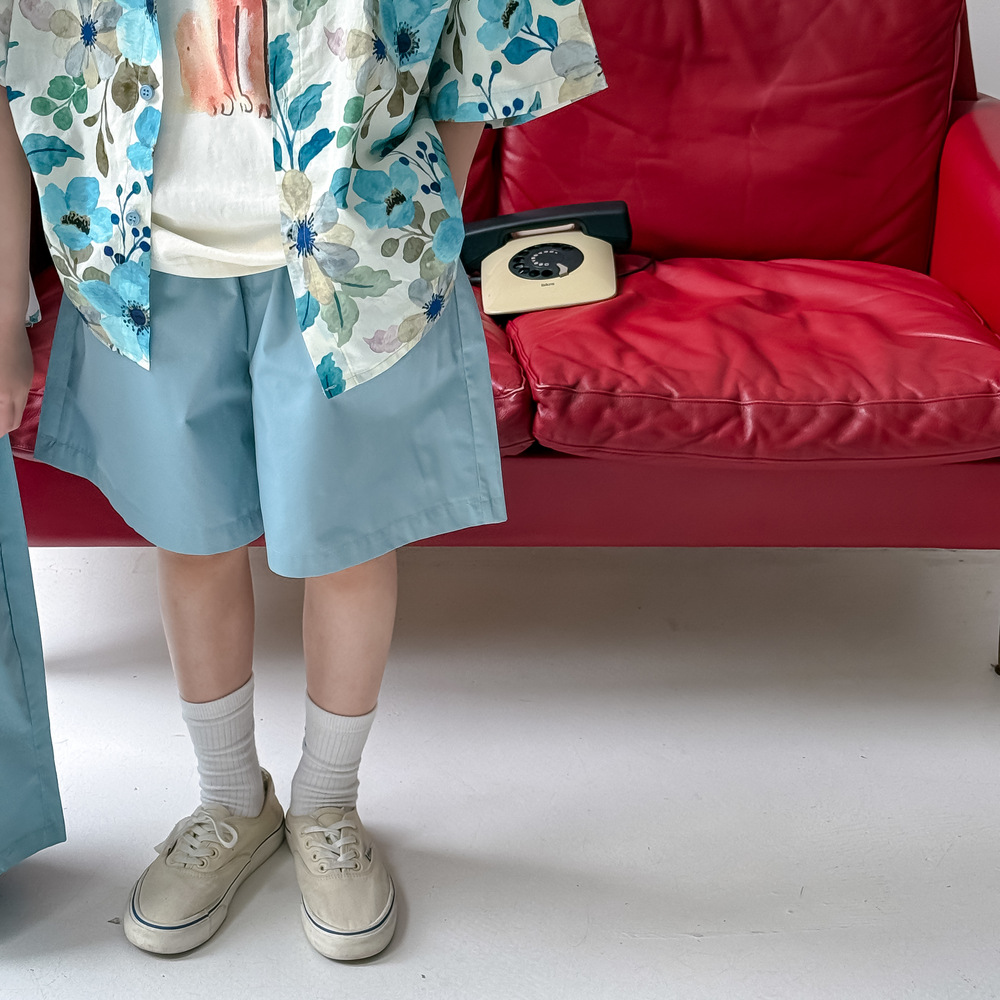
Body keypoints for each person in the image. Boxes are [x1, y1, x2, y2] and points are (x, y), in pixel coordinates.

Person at [0, 0, 607, 959]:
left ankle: (329, 804)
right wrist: (4, 312)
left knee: (348, 544)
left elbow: (487, 42)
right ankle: (229, 801)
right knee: (191, 540)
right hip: (142, 259)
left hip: (349, 258)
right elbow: (14, 74)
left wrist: (420, 211)